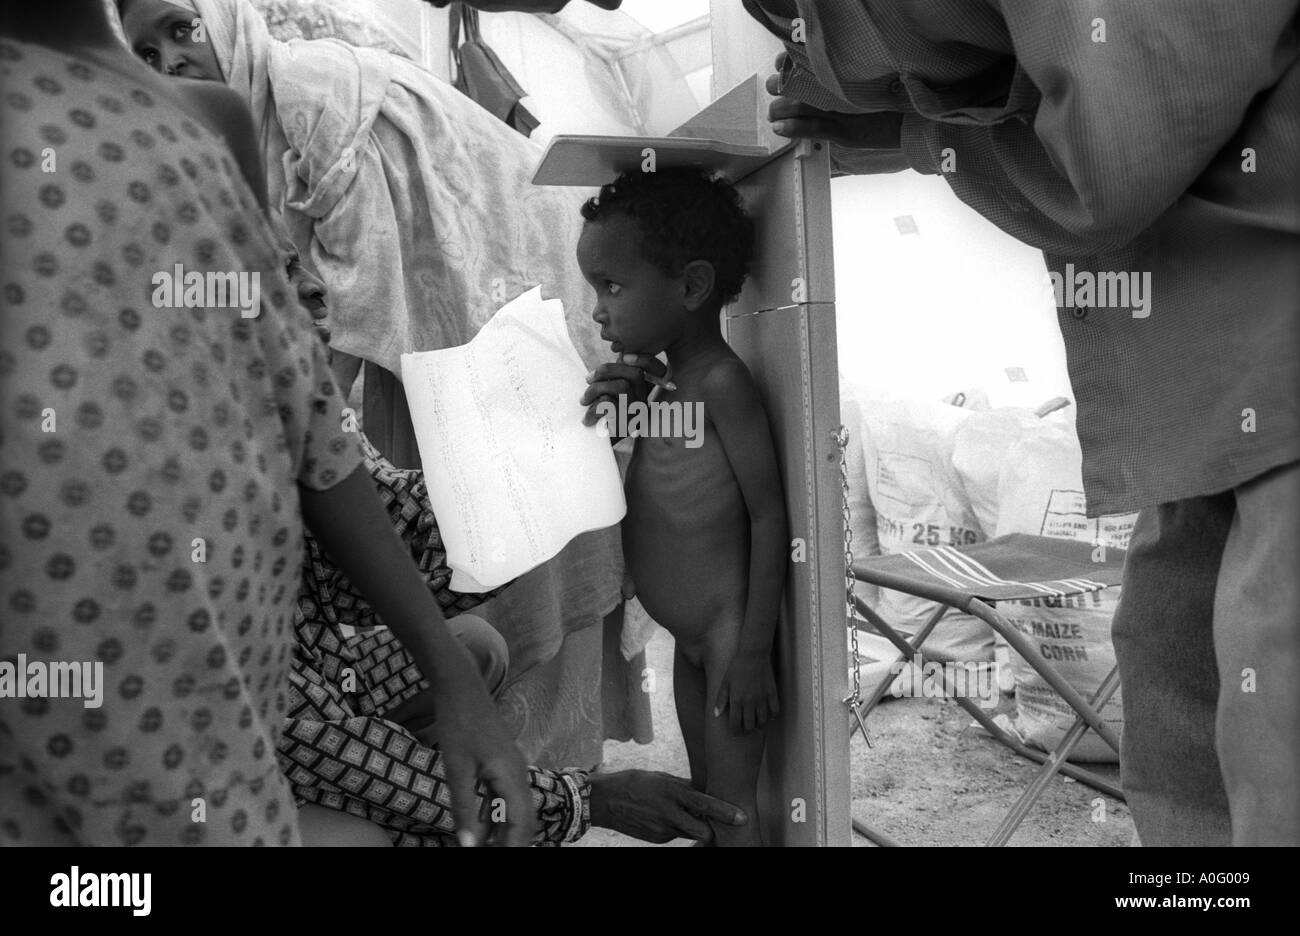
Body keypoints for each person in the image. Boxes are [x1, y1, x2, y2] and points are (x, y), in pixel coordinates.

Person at [744, 0, 1300, 846]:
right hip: (1210, 408)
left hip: (1271, 382)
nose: (816, 42)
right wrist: (909, 120)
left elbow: (1109, 161)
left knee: (1269, 757)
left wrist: (916, 134)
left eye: (807, 14)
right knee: (1180, 728)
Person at [0, 0, 535, 846]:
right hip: (75, 697)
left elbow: (320, 433)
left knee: (471, 647)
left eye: (183, 29)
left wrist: (529, 484)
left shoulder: (211, 125)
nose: (313, 296)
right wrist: (581, 804)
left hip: (225, 699)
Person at [578, 169, 787, 847]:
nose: (598, 310)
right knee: (706, 804)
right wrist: (614, 410)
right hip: (689, 645)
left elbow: (768, 516)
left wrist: (753, 652)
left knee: (732, 810)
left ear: (692, 287)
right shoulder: (660, 388)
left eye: (612, 286)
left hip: (729, 642)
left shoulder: (724, 384)